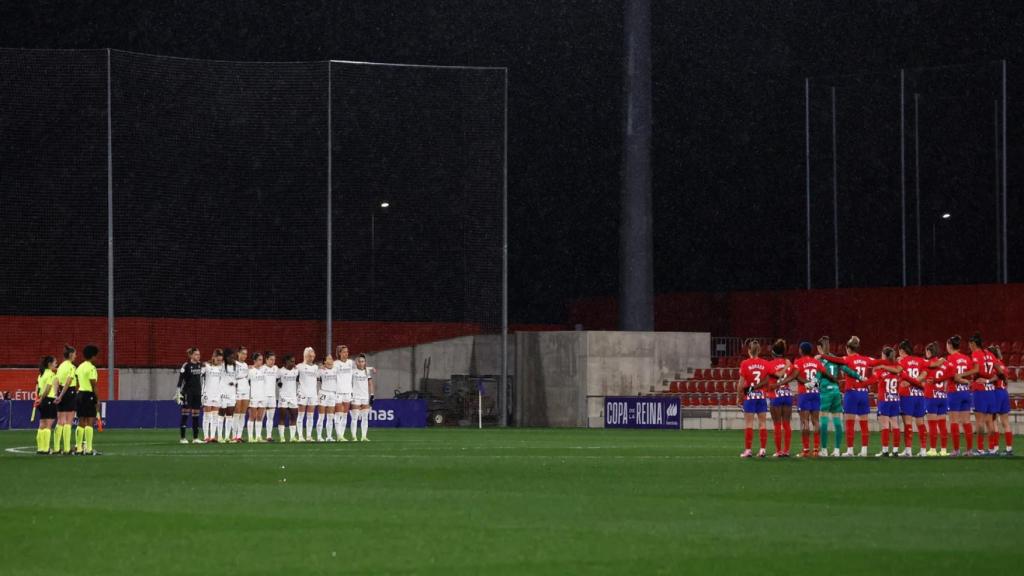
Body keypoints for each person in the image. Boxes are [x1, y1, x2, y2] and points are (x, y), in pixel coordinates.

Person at [820, 336, 902, 457]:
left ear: (848, 348)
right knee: (864, 423)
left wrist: (822, 355)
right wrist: (894, 362)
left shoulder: (846, 359)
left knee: (850, 423)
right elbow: (880, 361)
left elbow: (833, 359)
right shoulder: (866, 359)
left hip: (852, 393)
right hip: (864, 393)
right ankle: (864, 451)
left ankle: (850, 450)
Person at [815, 337, 861, 457]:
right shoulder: (835, 359)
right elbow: (848, 370)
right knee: (837, 420)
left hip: (825, 392)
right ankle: (836, 450)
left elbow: (818, 377)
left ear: (819, 347)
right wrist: (860, 377)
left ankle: (824, 450)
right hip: (836, 392)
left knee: (823, 419)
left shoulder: (820, 360)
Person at [780, 342, 827, 457]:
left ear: (801, 350)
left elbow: (792, 375)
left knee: (804, 421)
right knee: (816, 421)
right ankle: (816, 449)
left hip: (804, 394)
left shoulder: (798, 362)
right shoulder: (816, 362)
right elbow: (824, 374)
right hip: (815, 393)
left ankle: (806, 450)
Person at [896, 340, 929, 457]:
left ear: (902, 351)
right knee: (920, 423)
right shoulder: (920, 361)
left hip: (907, 395)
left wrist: (909, 383)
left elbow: (899, 376)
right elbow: (924, 375)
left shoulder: (902, 361)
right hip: (919, 394)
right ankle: (923, 450)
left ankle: (908, 450)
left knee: (908, 424)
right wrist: (915, 382)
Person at [737, 339, 769, 458]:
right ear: (759, 350)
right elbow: (767, 380)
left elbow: (740, 384)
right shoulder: (765, 363)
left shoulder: (745, 363)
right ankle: (762, 450)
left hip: (749, 396)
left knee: (749, 424)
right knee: (762, 423)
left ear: (749, 350)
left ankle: (748, 450)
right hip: (761, 396)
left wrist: (739, 396)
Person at [945, 335, 975, 456]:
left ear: (950, 346)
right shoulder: (967, 358)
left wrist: (964, 381)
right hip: (965, 393)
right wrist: (967, 382)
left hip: (954, 392)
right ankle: (969, 450)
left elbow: (954, 377)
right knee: (966, 421)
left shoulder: (950, 359)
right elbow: (970, 375)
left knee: (954, 421)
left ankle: (956, 450)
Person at [965, 333, 994, 456]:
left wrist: (963, 374)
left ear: (973, 344)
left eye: (970, 344)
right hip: (991, 390)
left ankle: (980, 449)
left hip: (980, 390)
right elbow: (998, 370)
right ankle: (992, 448)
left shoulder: (976, 354)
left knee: (979, 421)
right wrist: (988, 380)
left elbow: (976, 369)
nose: (969, 347)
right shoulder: (989, 354)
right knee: (990, 421)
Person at [765, 339, 792, 457]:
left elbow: (775, 375)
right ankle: (787, 450)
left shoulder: (770, 364)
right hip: (787, 394)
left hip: (776, 395)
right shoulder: (788, 363)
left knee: (777, 424)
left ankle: (779, 450)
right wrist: (787, 365)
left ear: (773, 353)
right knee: (786, 424)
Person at [923, 342, 950, 456]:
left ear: (929, 352)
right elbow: (948, 378)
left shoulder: (928, 364)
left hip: (931, 397)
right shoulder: (945, 364)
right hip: (942, 397)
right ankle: (943, 450)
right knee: (943, 424)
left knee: (932, 424)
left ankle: (933, 450)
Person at [74, 344, 100, 456]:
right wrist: (97, 400)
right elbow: (93, 385)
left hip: (80, 394)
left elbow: (76, 383)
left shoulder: (79, 367)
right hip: (89, 394)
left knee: (81, 422)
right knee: (90, 422)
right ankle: (88, 449)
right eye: (96, 356)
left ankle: (79, 448)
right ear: (93, 356)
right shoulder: (92, 368)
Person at [986, 345, 1012, 455]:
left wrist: (987, 381)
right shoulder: (1003, 365)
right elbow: (1006, 379)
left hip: (996, 393)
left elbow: (996, 376)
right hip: (1004, 393)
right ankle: (1009, 449)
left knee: (993, 421)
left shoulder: (994, 365)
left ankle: (995, 448)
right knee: (1005, 422)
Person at [52, 345, 77, 455]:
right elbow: (68, 382)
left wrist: (56, 394)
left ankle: (57, 448)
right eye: (75, 354)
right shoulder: (71, 367)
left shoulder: (61, 366)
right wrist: (62, 395)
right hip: (69, 392)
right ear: (71, 355)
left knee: (60, 421)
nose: (76, 356)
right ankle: (66, 448)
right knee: (68, 421)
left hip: (60, 392)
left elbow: (56, 380)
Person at [176, 347, 204, 444]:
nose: (198, 356)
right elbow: (180, 380)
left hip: (197, 393)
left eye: (199, 354)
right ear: (191, 355)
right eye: (196, 354)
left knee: (196, 415)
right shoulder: (186, 365)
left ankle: (195, 438)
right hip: (188, 393)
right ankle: (183, 438)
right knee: (185, 414)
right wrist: (178, 393)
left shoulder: (200, 365)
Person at [201, 349, 227, 443]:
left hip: (217, 394)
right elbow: (199, 374)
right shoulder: (206, 366)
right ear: (213, 358)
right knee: (207, 415)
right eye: (218, 360)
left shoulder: (222, 367)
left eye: (221, 360)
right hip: (207, 393)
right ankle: (206, 436)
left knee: (215, 416)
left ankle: (212, 437)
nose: (220, 362)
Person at [35, 355, 58, 455]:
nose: (56, 364)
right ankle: (46, 448)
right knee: (48, 425)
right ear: (49, 364)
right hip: (48, 399)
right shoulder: (51, 374)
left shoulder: (41, 374)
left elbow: (38, 388)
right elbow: (48, 388)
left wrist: (38, 398)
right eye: (55, 363)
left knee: (42, 425)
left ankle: (40, 448)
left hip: (42, 401)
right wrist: (41, 399)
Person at [350, 354, 375, 442]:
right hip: (355, 397)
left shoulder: (367, 371)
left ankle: (364, 436)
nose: (361, 363)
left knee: (365, 418)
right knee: (355, 418)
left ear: (365, 363)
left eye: (362, 361)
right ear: (357, 362)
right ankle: (354, 437)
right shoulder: (352, 371)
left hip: (365, 397)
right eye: (359, 361)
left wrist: (372, 395)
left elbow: (370, 383)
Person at [296, 347, 319, 442]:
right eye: (310, 355)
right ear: (305, 355)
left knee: (310, 416)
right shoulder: (299, 367)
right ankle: (300, 436)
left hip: (313, 394)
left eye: (313, 355)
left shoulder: (316, 367)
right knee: (300, 415)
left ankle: (309, 436)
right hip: (302, 393)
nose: (312, 357)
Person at [334, 345, 355, 442]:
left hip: (348, 391)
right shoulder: (335, 364)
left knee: (345, 414)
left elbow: (361, 367)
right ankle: (338, 435)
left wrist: (371, 368)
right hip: (338, 392)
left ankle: (341, 435)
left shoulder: (351, 363)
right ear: (339, 353)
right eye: (343, 352)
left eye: (347, 352)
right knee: (338, 414)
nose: (346, 354)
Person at [277, 355, 300, 441]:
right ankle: (282, 437)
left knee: (294, 417)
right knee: (282, 417)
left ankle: (292, 437)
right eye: (291, 361)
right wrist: (280, 386)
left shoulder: (296, 371)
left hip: (293, 397)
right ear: (286, 362)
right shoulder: (280, 371)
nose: (293, 363)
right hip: (283, 397)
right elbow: (276, 381)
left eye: (294, 361)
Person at [220, 348, 238, 443]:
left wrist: (234, 382)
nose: (233, 359)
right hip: (223, 393)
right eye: (231, 357)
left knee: (230, 415)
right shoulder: (222, 366)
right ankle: (219, 436)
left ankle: (227, 436)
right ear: (226, 358)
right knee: (221, 414)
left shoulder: (236, 366)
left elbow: (238, 378)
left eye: (233, 357)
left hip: (232, 394)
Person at [232, 346, 250, 442]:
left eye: (246, 354)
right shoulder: (234, 363)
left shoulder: (246, 365)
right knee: (236, 413)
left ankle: (239, 436)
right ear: (238, 353)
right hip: (237, 389)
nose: (244, 355)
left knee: (243, 414)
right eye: (242, 353)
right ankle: (234, 435)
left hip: (246, 389)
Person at [318, 355, 338, 441]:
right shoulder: (321, 371)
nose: (331, 360)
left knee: (330, 417)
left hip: (332, 394)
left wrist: (370, 368)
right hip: (323, 393)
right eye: (329, 358)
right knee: (321, 416)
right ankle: (319, 437)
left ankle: (329, 437)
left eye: (332, 358)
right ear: (325, 362)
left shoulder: (336, 370)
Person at [245, 352, 264, 442]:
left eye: (262, 360)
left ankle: (258, 436)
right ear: (255, 361)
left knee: (260, 417)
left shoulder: (264, 370)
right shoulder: (250, 371)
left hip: (262, 396)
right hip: (253, 396)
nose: (261, 361)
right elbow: (246, 382)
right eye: (259, 360)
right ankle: (250, 437)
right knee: (252, 417)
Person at [261, 352, 278, 442]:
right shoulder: (262, 368)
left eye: (274, 360)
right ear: (266, 359)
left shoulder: (276, 369)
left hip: (272, 397)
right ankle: (258, 436)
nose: (273, 361)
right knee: (261, 417)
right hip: (263, 396)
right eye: (271, 359)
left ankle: (269, 436)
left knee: (270, 417)